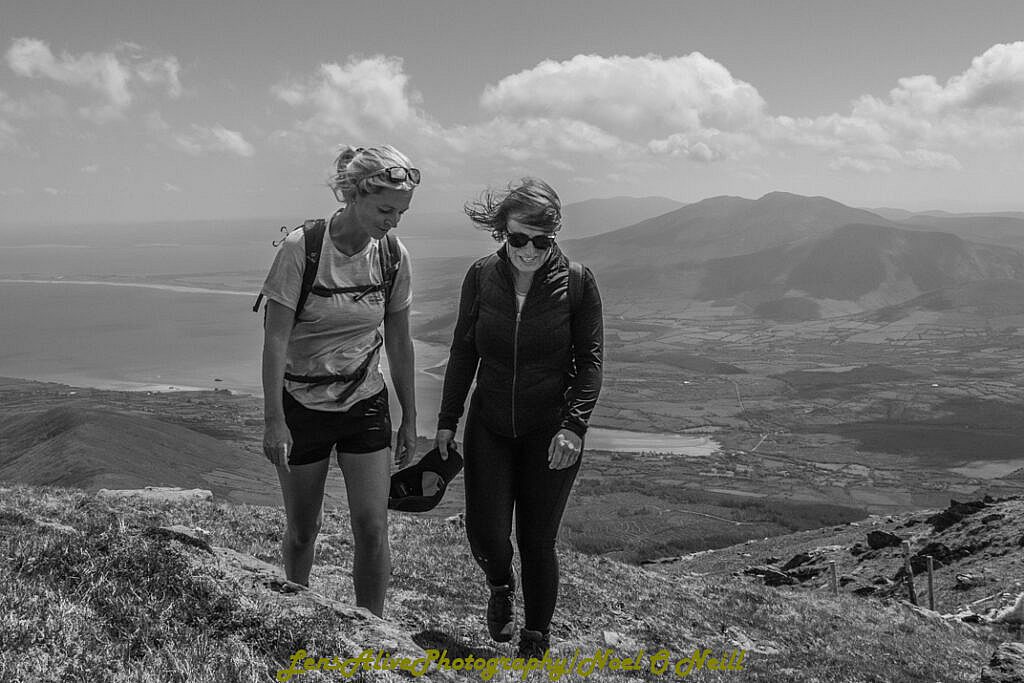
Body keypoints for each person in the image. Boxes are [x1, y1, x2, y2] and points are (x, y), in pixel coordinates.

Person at [434, 177, 603, 656]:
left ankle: (535, 637)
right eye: (518, 239)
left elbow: (590, 362)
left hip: (550, 430)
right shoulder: (481, 275)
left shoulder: (577, 281)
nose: (529, 251)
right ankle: (500, 584)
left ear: (555, 236)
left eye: (541, 241)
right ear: (502, 232)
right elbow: (464, 350)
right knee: (486, 531)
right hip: (489, 422)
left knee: (537, 539)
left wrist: (574, 426)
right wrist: (448, 417)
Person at [260, 145, 419, 617]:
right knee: (303, 529)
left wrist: (410, 418)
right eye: (385, 209)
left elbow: (400, 341)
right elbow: (274, 340)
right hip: (301, 405)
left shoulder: (392, 255)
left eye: (401, 212)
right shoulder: (302, 249)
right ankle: (293, 616)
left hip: (364, 403)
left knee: (372, 528)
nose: (393, 221)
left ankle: (373, 631)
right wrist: (274, 422)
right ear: (353, 195)